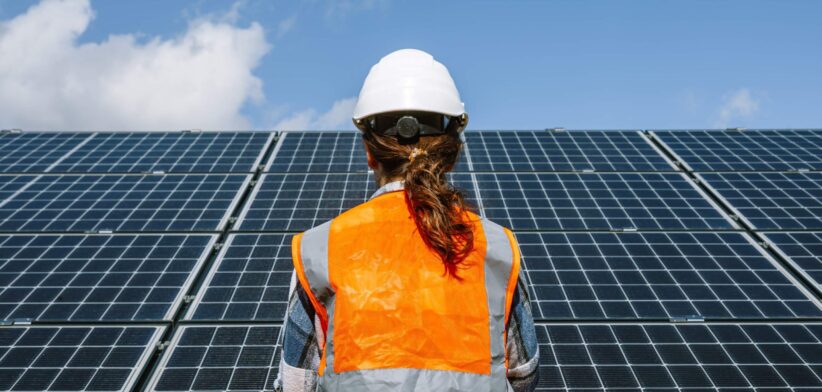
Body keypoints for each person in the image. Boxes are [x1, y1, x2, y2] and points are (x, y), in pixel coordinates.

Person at [276, 49, 539, 392]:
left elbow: (297, 383)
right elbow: (524, 376)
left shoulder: (321, 248)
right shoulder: (495, 246)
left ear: (369, 152)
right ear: (453, 151)